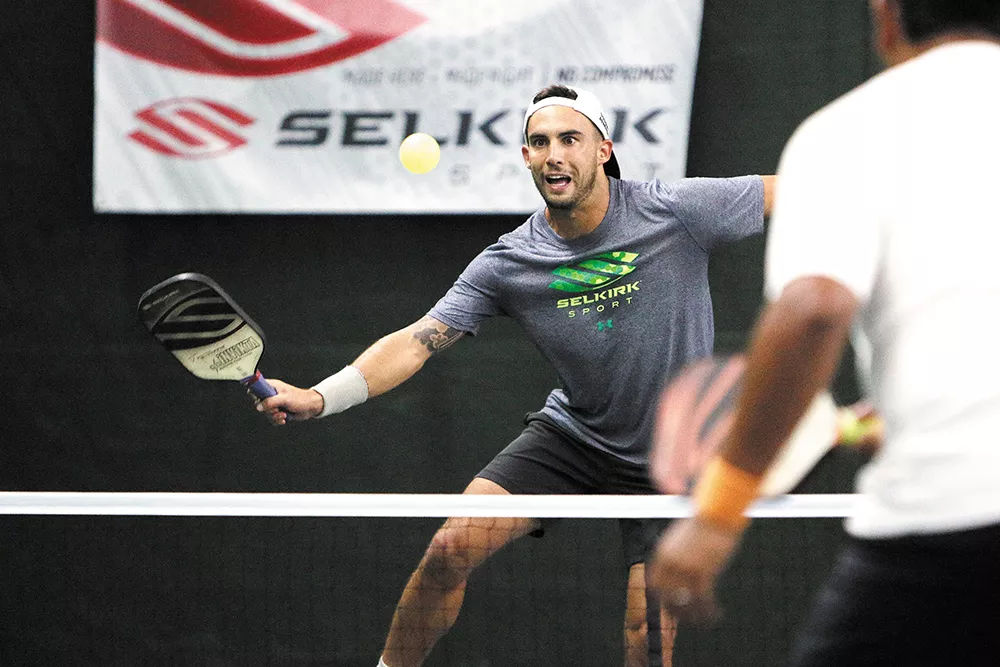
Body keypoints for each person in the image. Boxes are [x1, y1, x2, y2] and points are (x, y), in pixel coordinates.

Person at [257, 84, 775, 667]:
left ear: (603, 149)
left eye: (569, 139)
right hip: (574, 440)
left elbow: (794, 193)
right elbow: (416, 342)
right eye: (539, 142)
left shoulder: (675, 210)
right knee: (451, 549)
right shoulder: (509, 262)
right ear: (526, 157)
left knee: (647, 635)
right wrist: (320, 397)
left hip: (673, 457)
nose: (554, 153)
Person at [647, 1, 1000, 665]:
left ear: (886, 20)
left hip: (952, 533)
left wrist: (719, 511)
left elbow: (813, 308)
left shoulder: (848, 132)